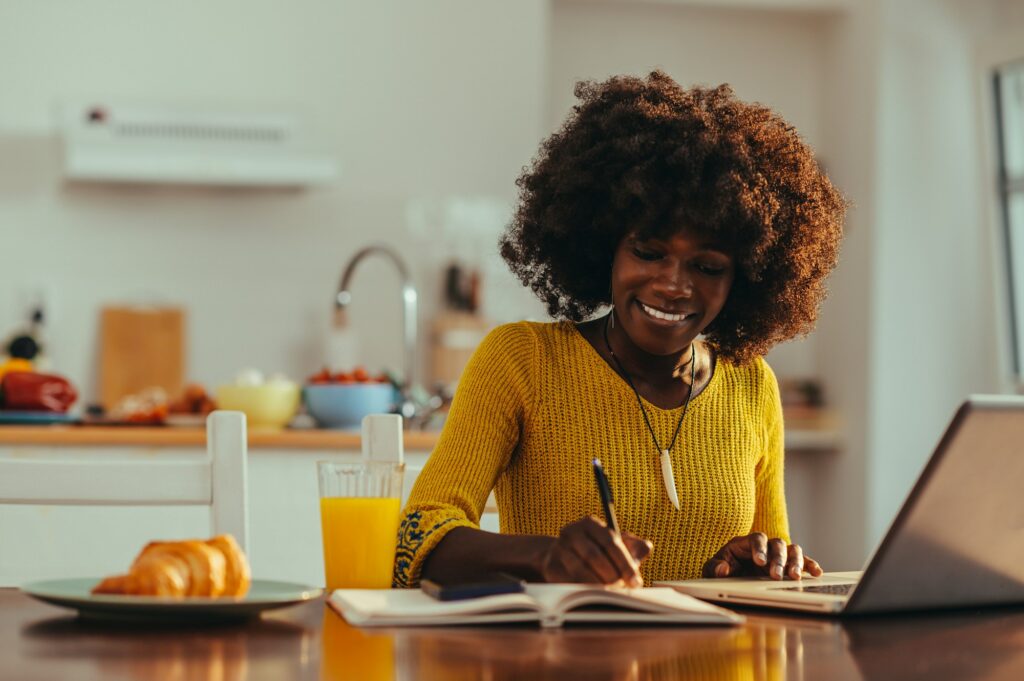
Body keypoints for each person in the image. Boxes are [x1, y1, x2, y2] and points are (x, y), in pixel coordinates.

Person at [393, 70, 846, 589]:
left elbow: (775, 592)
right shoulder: (522, 360)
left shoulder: (751, 385)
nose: (674, 286)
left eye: (708, 266)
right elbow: (415, 540)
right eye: (649, 253)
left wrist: (758, 567)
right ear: (604, 245)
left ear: (746, 277)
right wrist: (545, 557)